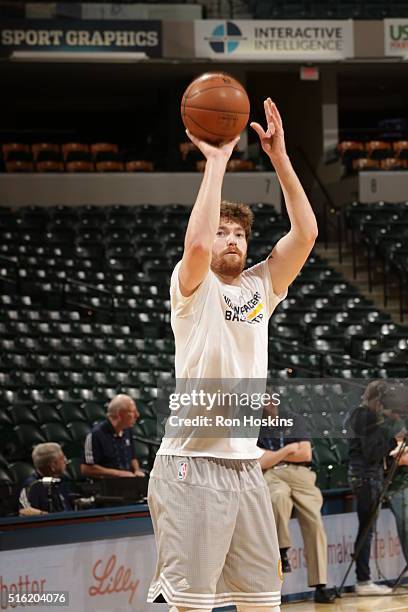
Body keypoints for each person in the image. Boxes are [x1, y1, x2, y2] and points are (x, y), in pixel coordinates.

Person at [147, 98, 318, 612]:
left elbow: (306, 233)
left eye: (239, 233)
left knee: (264, 600)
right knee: (193, 604)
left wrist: (280, 157)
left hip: (245, 466)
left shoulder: (261, 286)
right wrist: (217, 161)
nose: (231, 239)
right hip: (190, 463)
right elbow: (195, 248)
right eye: (222, 231)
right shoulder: (191, 287)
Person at [258, 401, 336, 604]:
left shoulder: (294, 419)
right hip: (272, 474)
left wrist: (275, 455)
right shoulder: (253, 423)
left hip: (300, 474)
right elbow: (261, 462)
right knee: (277, 498)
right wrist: (288, 449)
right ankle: (282, 552)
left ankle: (320, 585)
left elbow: (306, 453)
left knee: (315, 522)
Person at [347, 380, 402, 596]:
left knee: (366, 529)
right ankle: (363, 579)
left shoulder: (362, 415)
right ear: (377, 400)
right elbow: (371, 452)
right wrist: (393, 441)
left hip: (367, 477)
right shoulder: (365, 416)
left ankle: (364, 578)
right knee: (366, 529)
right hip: (366, 478)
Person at [80, 394, 145, 478]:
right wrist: (118, 473)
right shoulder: (95, 435)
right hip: (105, 486)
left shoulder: (127, 431)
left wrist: (137, 470)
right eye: (133, 411)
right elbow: (86, 469)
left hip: (127, 484)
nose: (137, 415)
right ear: (120, 414)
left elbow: (132, 457)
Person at [19, 442, 72, 515]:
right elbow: (25, 512)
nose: (66, 461)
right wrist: (47, 515)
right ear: (53, 465)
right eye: (62, 458)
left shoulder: (61, 480)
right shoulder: (33, 486)